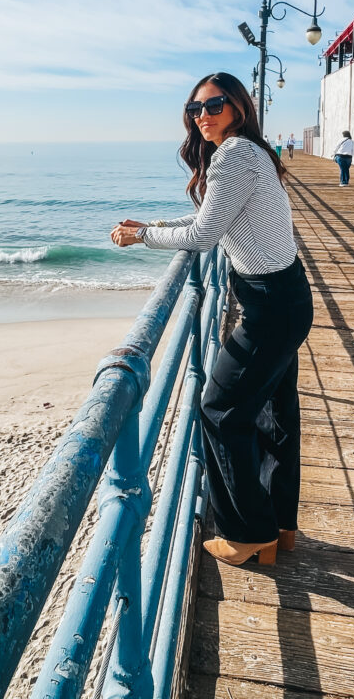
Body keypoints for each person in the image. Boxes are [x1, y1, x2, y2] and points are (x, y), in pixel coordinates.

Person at [110, 72, 313, 568]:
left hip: (270, 306)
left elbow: (203, 236)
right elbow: (209, 219)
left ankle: (249, 534)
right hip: (284, 297)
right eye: (195, 109)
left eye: (214, 106)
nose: (202, 116)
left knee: (220, 410)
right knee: (275, 414)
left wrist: (141, 240)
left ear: (238, 107)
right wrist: (153, 226)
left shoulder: (234, 155)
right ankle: (279, 525)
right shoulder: (250, 153)